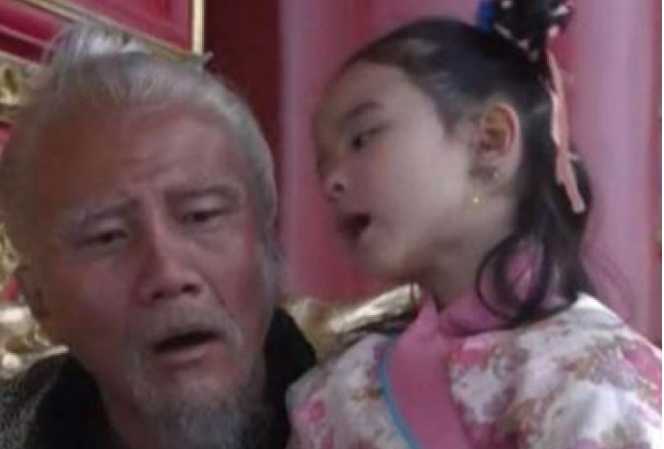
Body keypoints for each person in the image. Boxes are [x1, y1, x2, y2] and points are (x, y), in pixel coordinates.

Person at [286, 1, 662, 448]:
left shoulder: (598, 372)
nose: (332, 181)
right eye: (323, 164)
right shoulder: (340, 388)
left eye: (362, 138)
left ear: (490, 141)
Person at [0, 25, 314, 449]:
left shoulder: (384, 407)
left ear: (266, 242)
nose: (168, 274)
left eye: (202, 216)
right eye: (107, 237)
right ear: (40, 302)